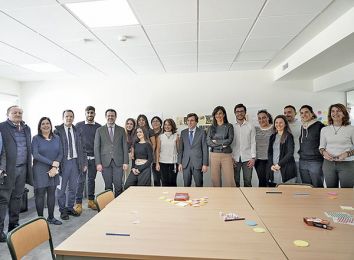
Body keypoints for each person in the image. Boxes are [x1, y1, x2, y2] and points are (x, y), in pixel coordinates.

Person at [0, 105, 33, 242]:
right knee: (3, 200)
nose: (18, 114)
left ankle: (13, 226)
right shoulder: (2, 127)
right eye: (15, 112)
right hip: (8, 170)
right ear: (8, 114)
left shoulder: (26, 128)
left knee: (17, 198)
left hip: (23, 168)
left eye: (20, 112)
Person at [55, 110, 87, 220]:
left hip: (76, 162)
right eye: (67, 116)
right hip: (63, 163)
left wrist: (84, 163)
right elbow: (55, 149)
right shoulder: (57, 131)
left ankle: (70, 207)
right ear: (63, 117)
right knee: (61, 189)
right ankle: (62, 210)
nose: (69, 118)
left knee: (73, 188)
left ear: (73, 118)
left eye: (71, 116)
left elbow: (83, 148)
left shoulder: (78, 130)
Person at [32, 117, 63, 225]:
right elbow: (35, 155)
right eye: (43, 124)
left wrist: (55, 166)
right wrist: (52, 163)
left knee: (51, 193)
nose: (46, 125)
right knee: (40, 194)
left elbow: (61, 153)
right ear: (40, 127)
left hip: (54, 170)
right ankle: (40, 219)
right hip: (39, 169)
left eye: (47, 123)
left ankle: (51, 217)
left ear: (51, 125)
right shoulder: (35, 139)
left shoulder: (57, 138)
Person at [94, 109, 128, 197]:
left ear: (115, 117)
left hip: (119, 162)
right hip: (105, 162)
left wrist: (126, 162)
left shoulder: (121, 130)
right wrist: (98, 163)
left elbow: (124, 146)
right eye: (108, 115)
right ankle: (109, 205)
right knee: (108, 186)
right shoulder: (99, 130)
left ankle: (118, 205)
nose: (110, 117)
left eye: (112, 116)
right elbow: (96, 147)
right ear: (106, 117)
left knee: (118, 185)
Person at [319, 103, 354, 188]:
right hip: (328, 164)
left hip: (347, 164)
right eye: (333, 111)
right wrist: (324, 153)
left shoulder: (351, 129)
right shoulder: (324, 129)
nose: (335, 113)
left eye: (338, 111)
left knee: (346, 191)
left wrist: (347, 154)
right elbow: (321, 147)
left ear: (344, 113)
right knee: (331, 190)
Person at [75, 106, 101, 212]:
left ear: (95, 114)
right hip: (82, 159)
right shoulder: (78, 125)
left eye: (92, 113)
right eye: (88, 113)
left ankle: (90, 201)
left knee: (91, 180)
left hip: (94, 158)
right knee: (80, 181)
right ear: (85, 113)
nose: (90, 114)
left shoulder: (99, 127)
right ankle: (78, 203)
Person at [207, 106, 235, 187]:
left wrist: (217, 142)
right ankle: (218, 198)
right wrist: (222, 144)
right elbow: (209, 142)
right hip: (214, 155)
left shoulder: (229, 126)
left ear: (224, 115)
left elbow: (229, 140)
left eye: (220, 113)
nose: (218, 115)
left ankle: (231, 198)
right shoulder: (211, 128)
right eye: (216, 114)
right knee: (215, 180)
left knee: (229, 180)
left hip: (226, 155)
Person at [178, 113, 209, 187]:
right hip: (186, 163)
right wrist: (180, 163)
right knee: (186, 185)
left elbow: (205, 149)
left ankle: (199, 198)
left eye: (192, 120)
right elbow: (181, 149)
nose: (189, 122)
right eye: (188, 120)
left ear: (196, 122)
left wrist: (205, 164)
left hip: (198, 163)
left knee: (199, 185)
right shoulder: (183, 132)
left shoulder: (202, 132)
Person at [266, 115, 297, 187]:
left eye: (281, 122)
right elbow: (269, 153)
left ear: (285, 124)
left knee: (287, 193)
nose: (278, 124)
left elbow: (290, 153)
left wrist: (279, 164)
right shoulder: (272, 136)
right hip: (274, 169)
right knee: (275, 193)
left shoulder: (289, 136)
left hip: (286, 169)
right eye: (276, 122)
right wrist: (271, 165)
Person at [298, 105, 325, 187]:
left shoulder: (320, 126)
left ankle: (319, 200)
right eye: (301, 113)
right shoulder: (303, 126)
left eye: (306, 112)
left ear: (312, 113)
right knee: (306, 186)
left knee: (317, 186)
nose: (304, 114)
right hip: (303, 160)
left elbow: (324, 144)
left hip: (315, 161)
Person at [232, 104, 256, 187]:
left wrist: (253, 158)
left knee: (248, 181)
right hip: (234, 158)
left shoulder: (250, 126)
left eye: (242, 111)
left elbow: (253, 142)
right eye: (237, 111)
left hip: (248, 158)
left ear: (245, 112)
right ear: (235, 113)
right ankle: (236, 199)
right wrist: (231, 157)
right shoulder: (231, 126)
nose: (240, 113)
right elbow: (230, 143)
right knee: (235, 182)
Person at [156, 119, 179, 186]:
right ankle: (166, 196)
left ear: (172, 126)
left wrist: (180, 163)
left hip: (173, 162)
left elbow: (179, 150)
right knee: (164, 181)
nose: (167, 126)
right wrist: (157, 163)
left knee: (173, 181)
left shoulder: (176, 136)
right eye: (165, 124)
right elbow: (158, 150)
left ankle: (173, 195)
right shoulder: (160, 137)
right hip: (163, 162)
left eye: (169, 124)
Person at [255, 110, 273, 187]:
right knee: (262, 182)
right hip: (259, 160)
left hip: (272, 160)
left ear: (268, 118)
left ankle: (273, 199)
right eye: (259, 118)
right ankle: (262, 198)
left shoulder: (274, 128)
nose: (261, 120)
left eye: (264, 117)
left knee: (272, 182)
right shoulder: (255, 129)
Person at [283, 105, 301, 182]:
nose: (287, 114)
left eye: (289, 112)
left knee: (300, 183)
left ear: (295, 113)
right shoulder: (282, 125)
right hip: (286, 160)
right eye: (285, 113)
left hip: (298, 159)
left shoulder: (301, 125)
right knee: (288, 184)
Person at [151, 116, 162, 186]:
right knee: (156, 180)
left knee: (165, 180)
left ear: (161, 123)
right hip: (154, 160)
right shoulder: (149, 133)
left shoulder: (165, 132)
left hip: (164, 160)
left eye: (157, 121)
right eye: (153, 121)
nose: (155, 123)